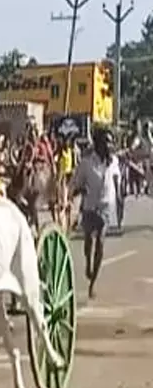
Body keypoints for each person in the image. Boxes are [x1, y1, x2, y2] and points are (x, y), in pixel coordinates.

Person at [70, 127, 121, 299]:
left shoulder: (113, 162)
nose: (109, 145)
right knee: (88, 241)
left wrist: (120, 197)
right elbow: (76, 183)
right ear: (98, 143)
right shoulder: (86, 163)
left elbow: (116, 180)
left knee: (100, 240)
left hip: (106, 206)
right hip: (90, 206)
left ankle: (92, 284)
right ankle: (88, 263)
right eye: (105, 141)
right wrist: (78, 190)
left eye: (110, 142)